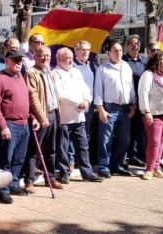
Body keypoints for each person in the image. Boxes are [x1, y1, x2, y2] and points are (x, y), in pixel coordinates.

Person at [0, 50, 39, 204]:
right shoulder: (0, 79)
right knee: (5, 160)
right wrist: (3, 126)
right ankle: (3, 190)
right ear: (7, 61)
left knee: (19, 159)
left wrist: (33, 117)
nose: (18, 63)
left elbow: (25, 102)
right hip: (9, 125)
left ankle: (14, 184)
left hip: (24, 125)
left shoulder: (20, 78)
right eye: (15, 60)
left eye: (20, 61)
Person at [54, 48, 104, 184]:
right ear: (59, 59)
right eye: (67, 58)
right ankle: (64, 172)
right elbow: (60, 94)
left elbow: (86, 89)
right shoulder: (55, 73)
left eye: (71, 57)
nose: (70, 60)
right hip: (64, 117)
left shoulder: (76, 72)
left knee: (83, 145)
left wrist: (86, 101)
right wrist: (78, 102)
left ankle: (87, 172)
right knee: (63, 147)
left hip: (79, 117)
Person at [94, 42, 136, 178]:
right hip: (109, 107)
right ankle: (104, 166)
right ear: (109, 53)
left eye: (119, 50)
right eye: (115, 51)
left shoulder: (127, 67)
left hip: (126, 108)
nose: (118, 53)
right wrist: (100, 109)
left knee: (125, 139)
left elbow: (131, 88)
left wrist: (134, 105)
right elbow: (98, 91)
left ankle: (117, 165)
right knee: (105, 139)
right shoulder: (103, 69)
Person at [24, 45, 63, 194]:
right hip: (41, 117)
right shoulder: (32, 73)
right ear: (35, 57)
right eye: (42, 55)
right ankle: (29, 181)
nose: (45, 58)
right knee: (34, 151)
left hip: (53, 114)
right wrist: (41, 117)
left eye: (48, 55)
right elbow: (33, 97)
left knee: (51, 150)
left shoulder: (50, 73)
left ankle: (50, 178)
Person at [138, 51, 163, 180]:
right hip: (154, 114)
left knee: (161, 142)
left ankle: (156, 168)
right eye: (162, 59)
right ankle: (149, 169)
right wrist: (146, 111)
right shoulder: (148, 75)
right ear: (155, 61)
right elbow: (142, 94)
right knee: (154, 142)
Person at [123, 34, 148, 167]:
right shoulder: (122, 61)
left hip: (141, 101)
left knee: (139, 130)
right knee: (125, 132)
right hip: (127, 102)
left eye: (137, 44)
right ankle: (124, 156)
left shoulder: (144, 62)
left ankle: (135, 155)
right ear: (127, 46)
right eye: (132, 44)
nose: (135, 46)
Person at [73, 40, 98, 167]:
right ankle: (73, 161)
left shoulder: (92, 66)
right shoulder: (71, 66)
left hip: (90, 105)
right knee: (75, 135)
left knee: (86, 134)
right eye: (82, 49)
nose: (85, 52)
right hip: (76, 106)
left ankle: (83, 161)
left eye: (87, 50)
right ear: (75, 51)